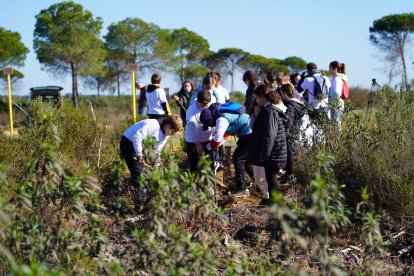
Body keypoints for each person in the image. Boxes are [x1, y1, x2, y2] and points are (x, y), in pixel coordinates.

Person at [200, 102, 254, 197]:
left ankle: (243, 189)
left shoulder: (221, 119)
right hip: (249, 132)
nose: (210, 126)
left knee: (238, 159)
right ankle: (257, 180)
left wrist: (208, 147)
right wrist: (218, 142)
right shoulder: (220, 115)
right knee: (246, 161)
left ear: (210, 119)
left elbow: (217, 139)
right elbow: (224, 135)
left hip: (248, 134)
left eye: (208, 123)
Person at [248, 84, 287, 203]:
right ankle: (275, 203)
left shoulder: (269, 111)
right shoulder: (269, 109)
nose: (256, 101)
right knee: (271, 178)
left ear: (262, 97)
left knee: (271, 179)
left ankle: (276, 204)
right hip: (275, 151)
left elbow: (270, 134)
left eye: (256, 98)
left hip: (273, 153)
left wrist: (265, 154)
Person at [120, 115, 183, 187]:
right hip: (128, 143)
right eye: (172, 132)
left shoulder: (166, 135)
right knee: (139, 176)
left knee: (148, 174)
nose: (172, 134)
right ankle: (137, 195)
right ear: (168, 126)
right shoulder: (153, 125)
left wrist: (157, 166)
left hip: (140, 146)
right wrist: (139, 155)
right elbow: (137, 137)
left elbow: (157, 151)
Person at [280, 83, 305, 183]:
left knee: (289, 153)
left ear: (285, 93)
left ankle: (289, 174)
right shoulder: (299, 103)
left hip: (291, 132)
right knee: (293, 153)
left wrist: (285, 132)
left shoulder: (290, 105)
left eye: (282, 93)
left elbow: (289, 121)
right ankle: (291, 173)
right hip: (298, 130)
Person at [185, 90, 213, 173]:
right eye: (202, 105)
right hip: (193, 141)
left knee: (209, 165)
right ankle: (194, 185)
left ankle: (209, 185)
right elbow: (191, 130)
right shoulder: (191, 110)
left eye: (206, 105)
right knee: (195, 166)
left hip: (207, 140)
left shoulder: (211, 106)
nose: (204, 107)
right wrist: (197, 144)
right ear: (198, 101)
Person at [328, 61, 347, 128]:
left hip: (336, 103)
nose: (328, 70)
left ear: (335, 69)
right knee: (335, 123)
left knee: (336, 123)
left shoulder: (337, 79)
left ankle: (338, 138)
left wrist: (331, 104)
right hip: (335, 103)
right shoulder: (335, 78)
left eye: (329, 68)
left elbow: (336, 93)